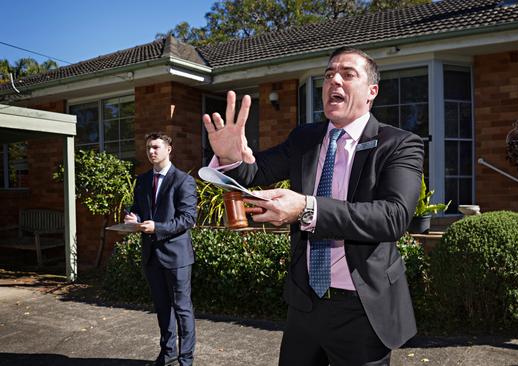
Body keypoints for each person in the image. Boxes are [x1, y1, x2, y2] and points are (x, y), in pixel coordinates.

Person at [202, 46, 424, 365]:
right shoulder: (305, 138)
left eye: (347, 74)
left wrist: (308, 208)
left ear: (372, 91)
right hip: (304, 303)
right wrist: (229, 157)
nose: (334, 80)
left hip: (362, 309)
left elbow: (393, 216)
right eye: (329, 74)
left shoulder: (399, 144)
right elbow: (255, 171)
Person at [124, 132, 198, 366]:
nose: (151, 152)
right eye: (148, 148)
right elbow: (138, 208)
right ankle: (167, 354)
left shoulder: (184, 181)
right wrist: (133, 217)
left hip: (177, 257)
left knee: (183, 310)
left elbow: (187, 219)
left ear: (169, 149)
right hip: (151, 255)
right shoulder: (143, 180)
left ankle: (186, 360)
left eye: (156, 147)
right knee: (162, 308)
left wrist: (157, 227)